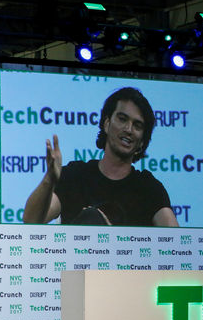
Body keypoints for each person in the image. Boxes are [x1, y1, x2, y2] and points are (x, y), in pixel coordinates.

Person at [22, 87, 178, 227]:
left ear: (142, 141)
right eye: (122, 119)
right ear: (106, 124)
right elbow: (31, 221)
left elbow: (177, 244)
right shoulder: (75, 176)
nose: (129, 129)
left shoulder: (149, 189)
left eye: (137, 125)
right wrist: (49, 179)